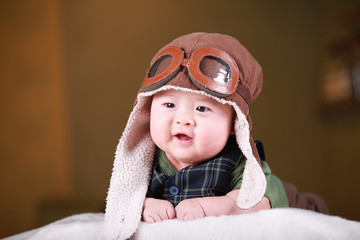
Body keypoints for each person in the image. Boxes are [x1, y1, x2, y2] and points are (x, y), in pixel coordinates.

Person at [101, 32, 326, 240]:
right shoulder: (143, 161)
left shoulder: (238, 161)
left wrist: (209, 207)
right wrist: (145, 205)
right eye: (169, 104)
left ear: (233, 124)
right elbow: (120, 198)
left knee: (294, 201)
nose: (183, 120)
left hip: (291, 199)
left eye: (201, 109)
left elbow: (254, 201)